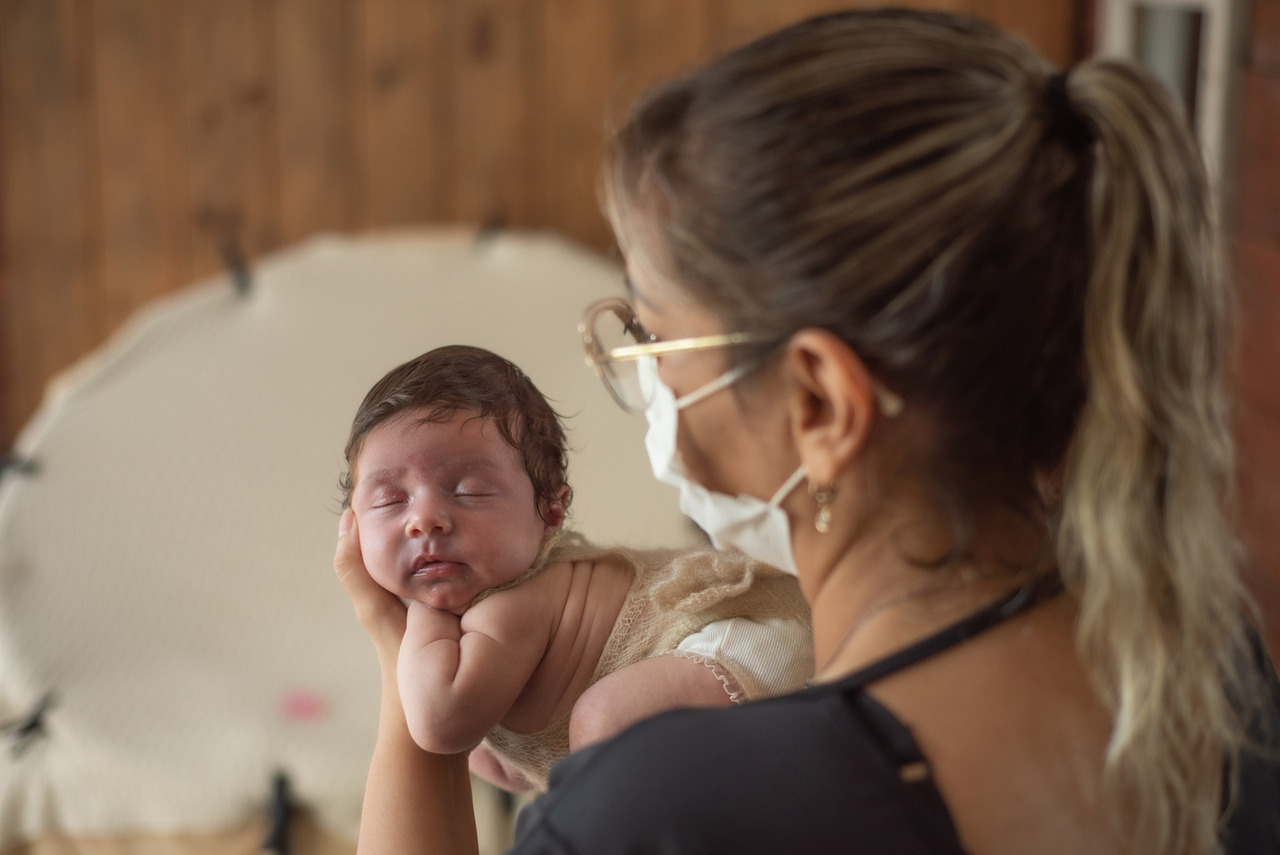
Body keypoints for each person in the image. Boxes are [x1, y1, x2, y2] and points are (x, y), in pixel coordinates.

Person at [335, 9, 1280, 854]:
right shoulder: (1204, 654)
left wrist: (400, 651)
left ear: (820, 404)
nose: (645, 372)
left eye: (654, 333)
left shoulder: (663, 809)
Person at [338, 344, 812, 792]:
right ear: (353, 526)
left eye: (468, 491)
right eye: (390, 500)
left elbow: (439, 723)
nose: (424, 520)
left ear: (550, 512)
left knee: (603, 719)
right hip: (724, 674)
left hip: (742, 637)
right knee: (518, 761)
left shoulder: (512, 606)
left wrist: (415, 611)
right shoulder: (474, 644)